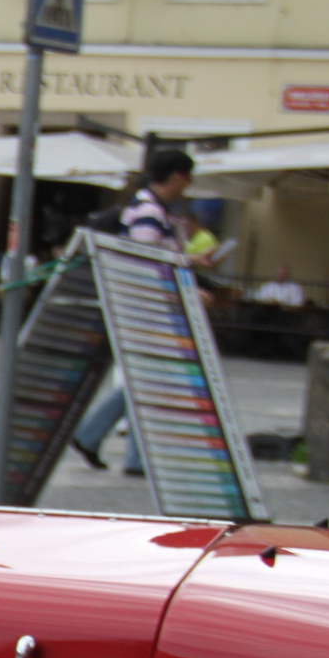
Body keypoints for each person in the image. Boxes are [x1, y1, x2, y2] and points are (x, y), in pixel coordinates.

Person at [71, 148, 194, 476]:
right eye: (188, 177)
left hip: (145, 308)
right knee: (149, 380)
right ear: (178, 176)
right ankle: (106, 443)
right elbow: (143, 260)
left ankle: (105, 443)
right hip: (146, 308)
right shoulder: (149, 212)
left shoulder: (147, 207)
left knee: (147, 380)